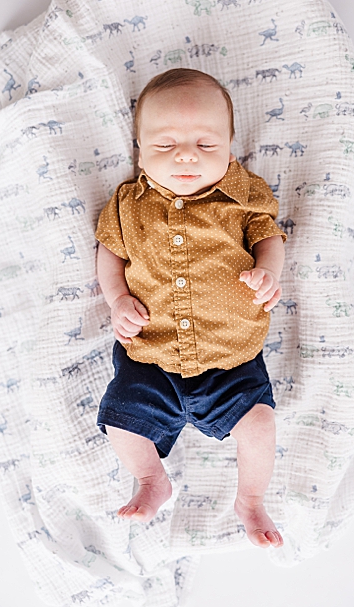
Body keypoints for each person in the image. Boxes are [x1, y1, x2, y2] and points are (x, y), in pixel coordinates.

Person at [94, 68, 286, 548]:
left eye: (205, 144)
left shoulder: (244, 197)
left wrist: (268, 273)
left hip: (231, 359)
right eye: (165, 146)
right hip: (151, 359)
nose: (185, 155)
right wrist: (117, 298)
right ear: (139, 151)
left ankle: (251, 500)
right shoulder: (127, 204)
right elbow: (110, 256)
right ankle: (151, 480)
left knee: (260, 426)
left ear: (230, 147)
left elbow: (269, 238)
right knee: (119, 422)